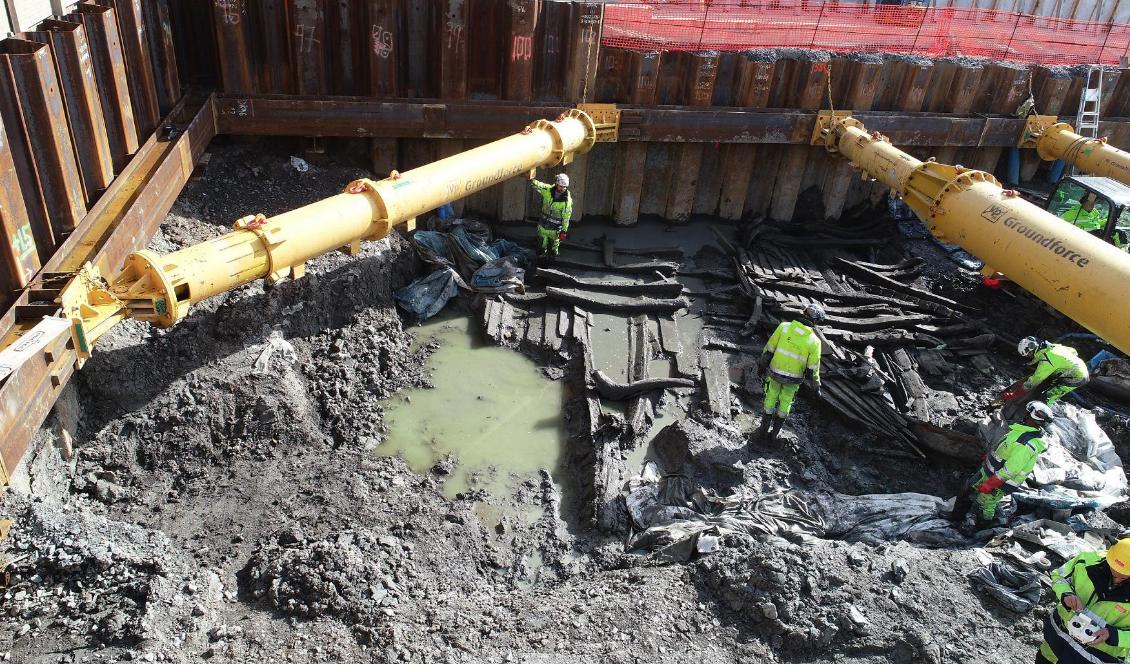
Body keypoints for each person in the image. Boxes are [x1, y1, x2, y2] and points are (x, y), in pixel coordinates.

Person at [949, 400, 1052, 532]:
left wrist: (991, 484)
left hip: (1001, 480)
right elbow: (1005, 447)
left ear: (1033, 419)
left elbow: (1012, 469)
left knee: (985, 503)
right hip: (989, 471)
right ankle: (955, 518)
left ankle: (979, 528)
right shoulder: (1022, 430)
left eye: (1027, 413)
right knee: (967, 490)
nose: (1024, 415)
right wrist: (990, 457)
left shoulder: (1027, 443)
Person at [1036, 538, 1130, 664]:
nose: (1116, 578)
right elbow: (1059, 576)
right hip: (1057, 639)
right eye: (1113, 569)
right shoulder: (1086, 561)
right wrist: (1066, 594)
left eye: (1123, 575)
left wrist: (1115, 636)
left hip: (1094, 657)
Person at [753, 304, 824, 443]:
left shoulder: (783, 327)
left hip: (774, 373)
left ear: (803, 313)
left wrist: (761, 368)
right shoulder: (815, 342)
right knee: (785, 403)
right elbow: (812, 369)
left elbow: (768, 351)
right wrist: (816, 387)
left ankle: (763, 430)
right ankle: (774, 435)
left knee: (770, 398)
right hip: (793, 380)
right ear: (816, 322)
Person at [1001, 337, 1089, 408]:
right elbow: (1073, 351)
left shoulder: (1046, 360)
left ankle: (1041, 421)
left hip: (1077, 377)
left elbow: (1034, 381)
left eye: (1028, 355)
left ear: (1032, 349)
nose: (1029, 357)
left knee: (1047, 397)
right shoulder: (1053, 346)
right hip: (1080, 367)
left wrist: (1014, 394)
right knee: (1048, 381)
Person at [527, 172, 573, 258]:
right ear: (556, 184)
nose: (563, 188)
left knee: (553, 247)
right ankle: (540, 260)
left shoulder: (567, 201)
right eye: (561, 186)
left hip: (555, 229)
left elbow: (566, 217)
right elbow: (538, 185)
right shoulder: (547, 190)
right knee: (541, 244)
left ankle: (552, 259)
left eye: (565, 187)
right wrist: (530, 179)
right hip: (543, 225)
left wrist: (564, 231)